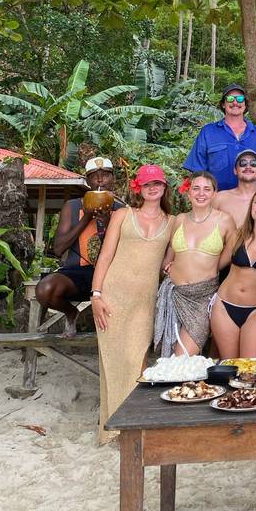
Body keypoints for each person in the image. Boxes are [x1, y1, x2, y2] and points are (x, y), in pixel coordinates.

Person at [91, 165, 173, 444]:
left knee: (136, 360)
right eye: (148, 184)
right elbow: (104, 257)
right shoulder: (123, 215)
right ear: (139, 187)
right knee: (114, 362)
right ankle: (113, 428)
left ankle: (132, 427)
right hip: (113, 296)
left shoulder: (172, 222)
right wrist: (96, 295)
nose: (153, 188)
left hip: (144, 302)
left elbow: (169, 261)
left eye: (158, 184)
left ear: (164, 188)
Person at [35, 157, 124, 338]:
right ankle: (71, 313)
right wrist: (86, 218)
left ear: (113, 179)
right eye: (94, 176)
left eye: (105, 175)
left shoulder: (122, 209)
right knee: (45, 290)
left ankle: (117, 336)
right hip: (76, 273)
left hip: (110, 276)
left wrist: (109, 223)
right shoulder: (73, 206)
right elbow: (59, 249)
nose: (100, 180)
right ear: (87, 181)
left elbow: (128, 251)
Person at [154, 172, 235, 357]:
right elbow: (170, 255)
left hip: (202, 296)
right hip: (173, 293)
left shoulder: (224, 220)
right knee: (168, 357)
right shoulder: (179, 219)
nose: (201, 193)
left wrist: (211, 269)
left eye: (207, 189)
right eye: (196, 188)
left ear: (214, 194)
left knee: (182, 358)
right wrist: (168, 266)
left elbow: (230, 255)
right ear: (188, 193)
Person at [209, 188, 256, 358]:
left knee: (251, 369)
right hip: (224, 305)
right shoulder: (238, 236)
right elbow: (216, 265)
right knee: (230, 367)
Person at [183, 82, 256, 191]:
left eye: (239, 99)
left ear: (245, 104)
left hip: (248, 203)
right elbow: (197, 170)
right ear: (223, 104)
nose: (235, 102)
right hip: (215, 201)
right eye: (230, 99)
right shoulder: (208, 132)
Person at [212, 148, 256, 226]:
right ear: (235, 170)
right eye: (243, 163)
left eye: (254, 163)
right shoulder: (220, 198)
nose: (248, 166)